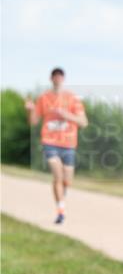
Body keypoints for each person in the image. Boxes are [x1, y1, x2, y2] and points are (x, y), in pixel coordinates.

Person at [24, 68, 88, 224]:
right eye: (55, 76)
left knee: (67, 180)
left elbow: (84, 122)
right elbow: (33, 122)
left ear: (63, 79)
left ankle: (62, 195)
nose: (57, 79)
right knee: (57, 175)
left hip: (68, 143)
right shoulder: (43, 98)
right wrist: (31, 110)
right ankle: (61, 211)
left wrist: (67, 115)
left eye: (60, 76)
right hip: (50, 142)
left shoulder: (72, 99)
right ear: (51, 79)